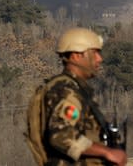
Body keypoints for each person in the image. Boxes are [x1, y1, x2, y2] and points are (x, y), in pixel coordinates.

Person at [41, 27, 127, 165]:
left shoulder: (78, 90)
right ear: (76, 56)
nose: (99, 59)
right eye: (94, 53)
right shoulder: (67, 91)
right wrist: (107, 153)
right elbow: (61, 135)